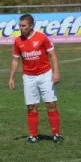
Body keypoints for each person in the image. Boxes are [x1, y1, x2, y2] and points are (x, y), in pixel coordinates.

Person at [8, 14, 62, 143]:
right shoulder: (18, 41)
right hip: (29, 77)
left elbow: (52, 55)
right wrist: (11, 77)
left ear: (31, 25)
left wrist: (56, 73)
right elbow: (15, 60)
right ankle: (33, 135)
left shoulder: (42, 37)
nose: (21, 28)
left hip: (45, 75)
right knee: (32, 106)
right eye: (20, 26)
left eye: (24, 26)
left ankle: (56, 134)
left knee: (51, 104)